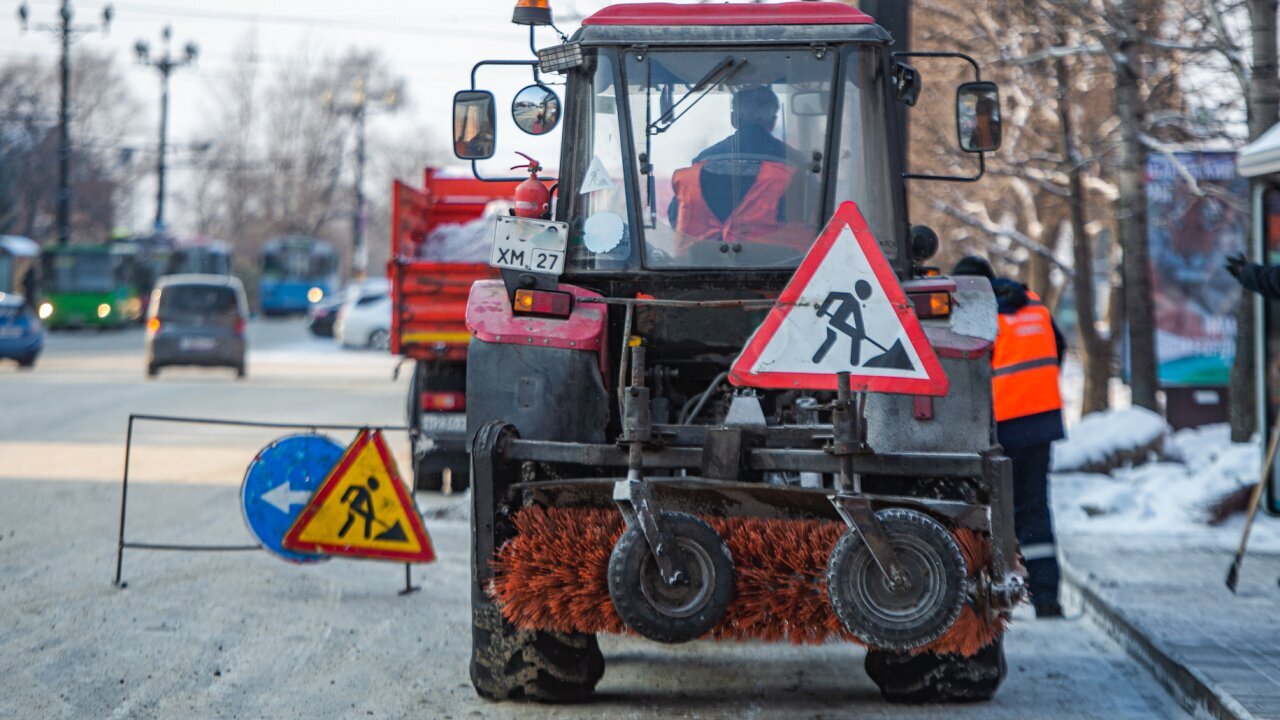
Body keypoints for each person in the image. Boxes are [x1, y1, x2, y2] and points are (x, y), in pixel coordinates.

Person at [953, 256, 1066, 618]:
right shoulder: (1034, 305)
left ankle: (985, 596)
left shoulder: (976, 314)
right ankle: (1046, 597)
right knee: (1034, 508)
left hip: (1002, 427)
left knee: (986, 509)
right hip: (1042, 422)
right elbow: (1057, 352)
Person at [667, 86, 809, 254]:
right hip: (782, 270)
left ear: (733, 119)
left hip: (698, 267)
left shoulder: (702, 161)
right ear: (773, 122)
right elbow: (811, 219)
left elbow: (678, 217)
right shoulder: (796, 163)